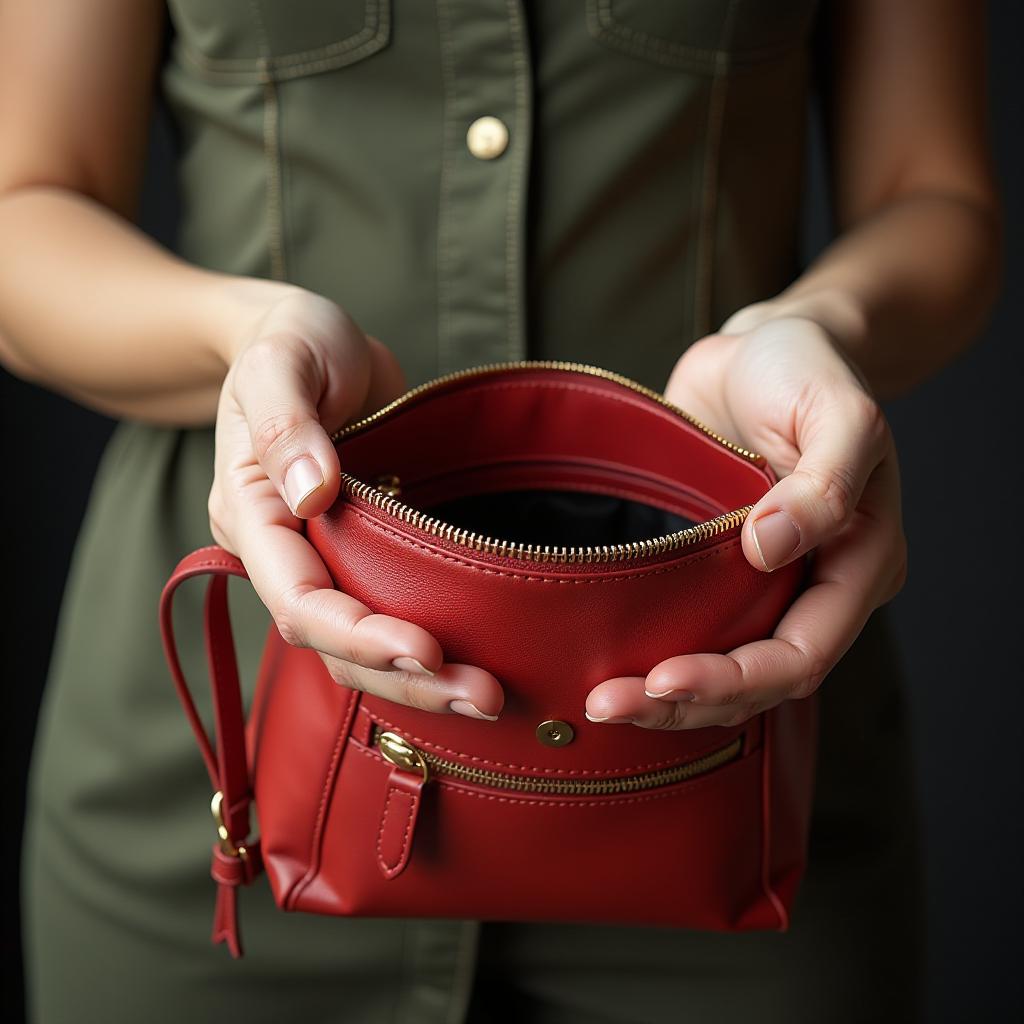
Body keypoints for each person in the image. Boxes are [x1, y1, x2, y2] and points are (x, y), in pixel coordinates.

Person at [2, 1, 1000, 1021]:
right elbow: (25, 206)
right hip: (228, 771)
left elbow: (934, 195)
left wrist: (816, 326)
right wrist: (247, 335)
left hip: (735, 745)